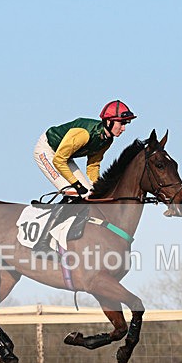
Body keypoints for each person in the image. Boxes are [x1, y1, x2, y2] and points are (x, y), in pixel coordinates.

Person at [31, 100, 136, 254]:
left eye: (125, 124)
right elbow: (58, 160)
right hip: (47, 152)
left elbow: (93, 165)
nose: (124, 128)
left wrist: (96, 187)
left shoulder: (107, 140)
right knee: (72, 192)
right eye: (121, 123)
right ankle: (42, 243)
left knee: (88, 194)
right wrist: (77, 185)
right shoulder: (84, 134)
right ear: (108, 121)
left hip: (63, 157)